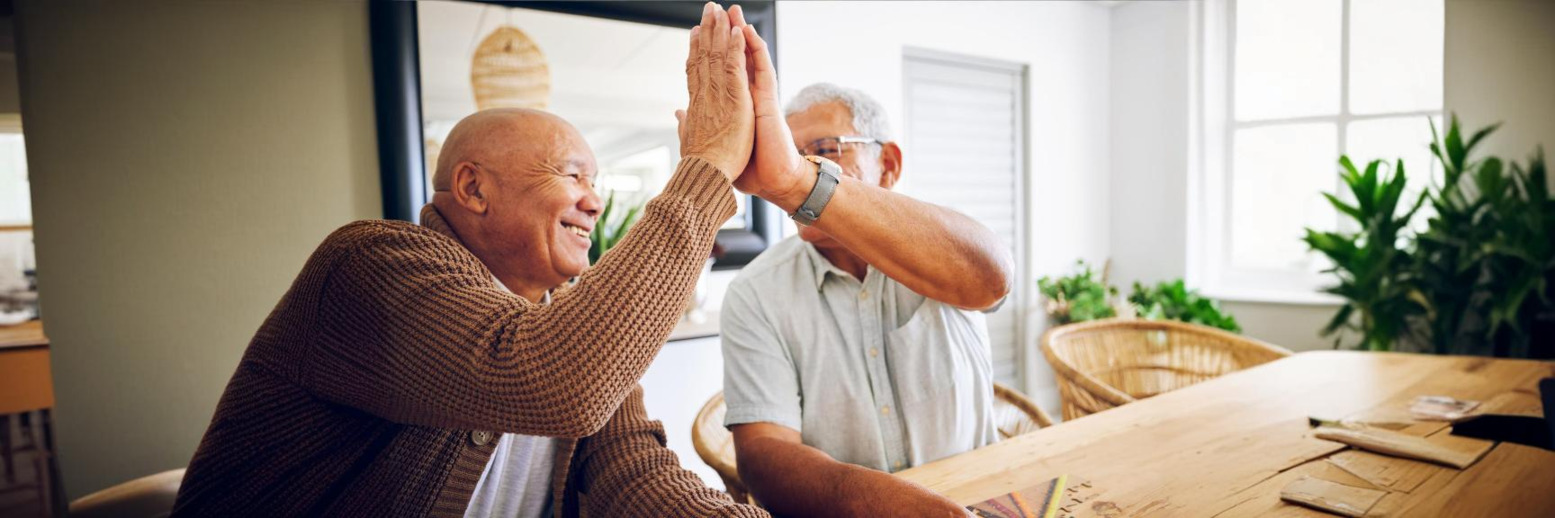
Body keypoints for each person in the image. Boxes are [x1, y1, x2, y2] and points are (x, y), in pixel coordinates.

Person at [173, 4, 771, 516]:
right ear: (473, 188)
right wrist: (708, 168)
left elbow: (638, 477)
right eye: (572, 175)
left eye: (598, 180)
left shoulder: (564, 316)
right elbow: (554, 381)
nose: (595, 201)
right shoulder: (371, 263)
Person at [718, 81, 1013, 516]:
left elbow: (992, 280)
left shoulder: (939, 246)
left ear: (888, 165)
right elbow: (764, 452)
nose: (799, 171)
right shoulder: (755, 292)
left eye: (826, 149)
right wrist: (874, 502)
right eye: (789, 156)